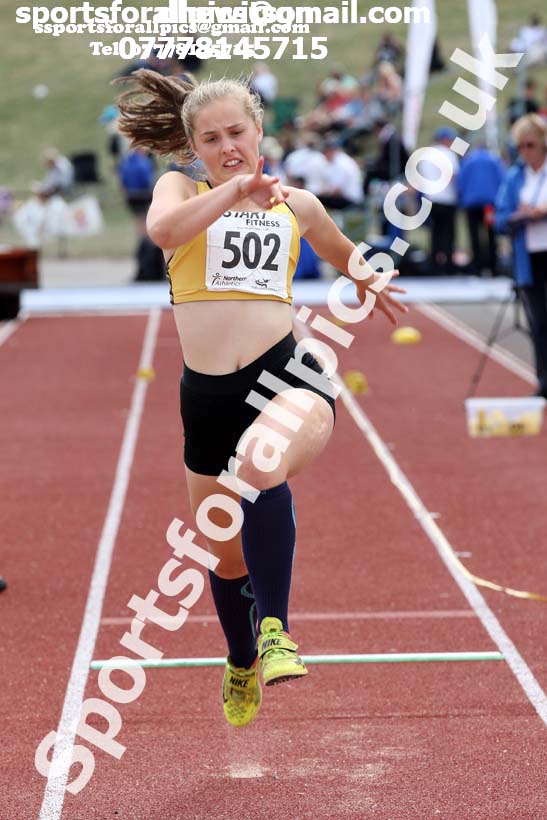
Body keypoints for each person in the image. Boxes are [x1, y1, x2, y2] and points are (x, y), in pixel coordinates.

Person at [115, 70, 407, 728]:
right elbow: (163, 232)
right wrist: (233, 193)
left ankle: (276, 631)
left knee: (261, 462)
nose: (227, 147)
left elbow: (335, 245)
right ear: (193, 146)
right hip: (206, 400)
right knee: (223, 554)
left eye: (237, 133)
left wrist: (368, 276)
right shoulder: (179, 191)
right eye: (211, 138)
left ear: (259, 132)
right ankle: (241, 656)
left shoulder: (294, 204)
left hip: (286, 376)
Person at [496, 114, 547, 399]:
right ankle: (544, 383)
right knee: (539, 324)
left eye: (530, 145)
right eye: (520, 147)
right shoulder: (516, 176)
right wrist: (521, 215)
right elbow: (501, 218)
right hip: (529, 260)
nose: (525, 152)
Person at [457, 140, 505, 276]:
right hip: (489, 205)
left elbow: (460, 182)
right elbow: (502, 180)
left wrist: (463, 198)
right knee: (491, 235)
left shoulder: (468, 161)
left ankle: (477, 267)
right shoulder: (494, 160)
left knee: (474, 235)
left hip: (471, 204)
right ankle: (493, 267)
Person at [420, 127, 460, 274]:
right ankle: (448, 265)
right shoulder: (448, 154)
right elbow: (453, 177)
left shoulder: (426, 155)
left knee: (435, 234)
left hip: (431, 199)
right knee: (448, 234)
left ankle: (434, 265)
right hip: (447, 199)